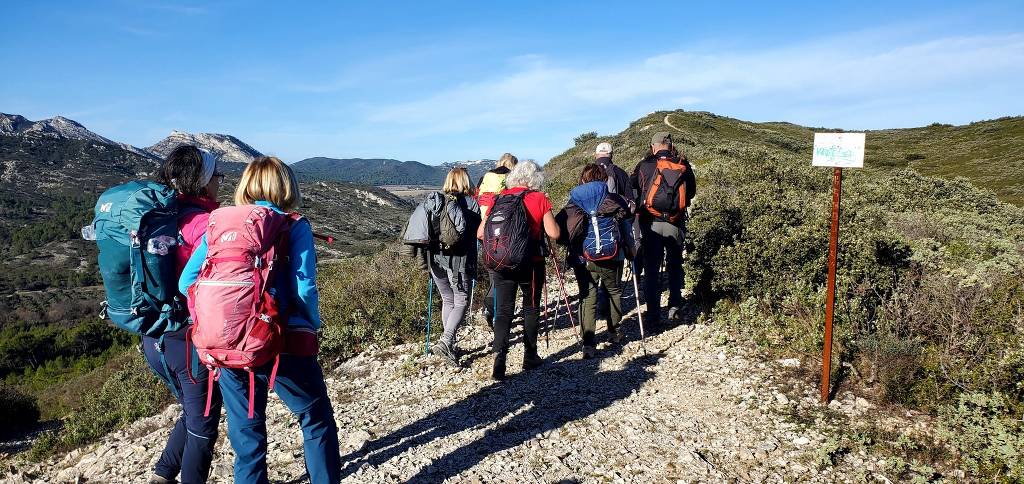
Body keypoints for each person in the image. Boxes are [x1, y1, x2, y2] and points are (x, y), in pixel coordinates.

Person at [179, 157, 341, 484]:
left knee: (248, 439)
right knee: (315, 419)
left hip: (226, 348)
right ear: (286, 186)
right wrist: (311, 324)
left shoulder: (219, 223)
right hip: (282, 340)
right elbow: (304, 287)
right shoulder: (293, 224)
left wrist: (218, 321)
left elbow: (186, 283)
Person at [144, 145, 224, 484]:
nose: (221, 181)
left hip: (154, 336)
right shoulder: (205, 224)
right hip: (188, 341)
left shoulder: (161, 216)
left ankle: (162, 475)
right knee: (204, 427)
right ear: (204, 183)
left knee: (193, 413)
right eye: (217, 175)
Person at [477, 160, 560, 380]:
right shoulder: (539, 198)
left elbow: (480, 233)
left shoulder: (498, 199)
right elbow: (554, 233)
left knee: (504, 311)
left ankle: (499, 360)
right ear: (534, 179)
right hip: (531, 262)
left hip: (501, 263)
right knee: (530, 308)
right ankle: (530, 356)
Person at [406, 167, 481, 365]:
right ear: (466, 181)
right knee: (461, 300)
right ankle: (447, 341)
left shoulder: (435, 202)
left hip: (434, 258)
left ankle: (449, 344)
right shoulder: (471, 203)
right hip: (458, 260)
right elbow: (474, 233)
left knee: (448, 299)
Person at [558, 163, 633, 359]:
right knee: (613, 291)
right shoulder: (614, 199)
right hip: (613, 254)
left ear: (582, 180)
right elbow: (626, 227)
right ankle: (614, 332)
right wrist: (631, 249)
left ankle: (588, 344)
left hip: (584, 257)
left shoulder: (573, 203)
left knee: (587, 296)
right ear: (604, 180)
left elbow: (562, 231)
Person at [630, 132, 696, 324]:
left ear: (653, 146)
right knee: (675, 265)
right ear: (670, 145)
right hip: (676, 223)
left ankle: (652, 317)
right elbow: (691, 192)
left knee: (651, 269)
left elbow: (634, 189)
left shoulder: (644, 165)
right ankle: (674, 306)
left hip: (650, 223)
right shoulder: (683, 164)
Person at [476, 153, 518, 327]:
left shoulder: (484, 178)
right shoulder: (512, 179)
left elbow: (476, 200)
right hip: (506, 232)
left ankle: (491, 309)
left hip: (484, 231)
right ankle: (498, 311)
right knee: (507, 273)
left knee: (493, 271)